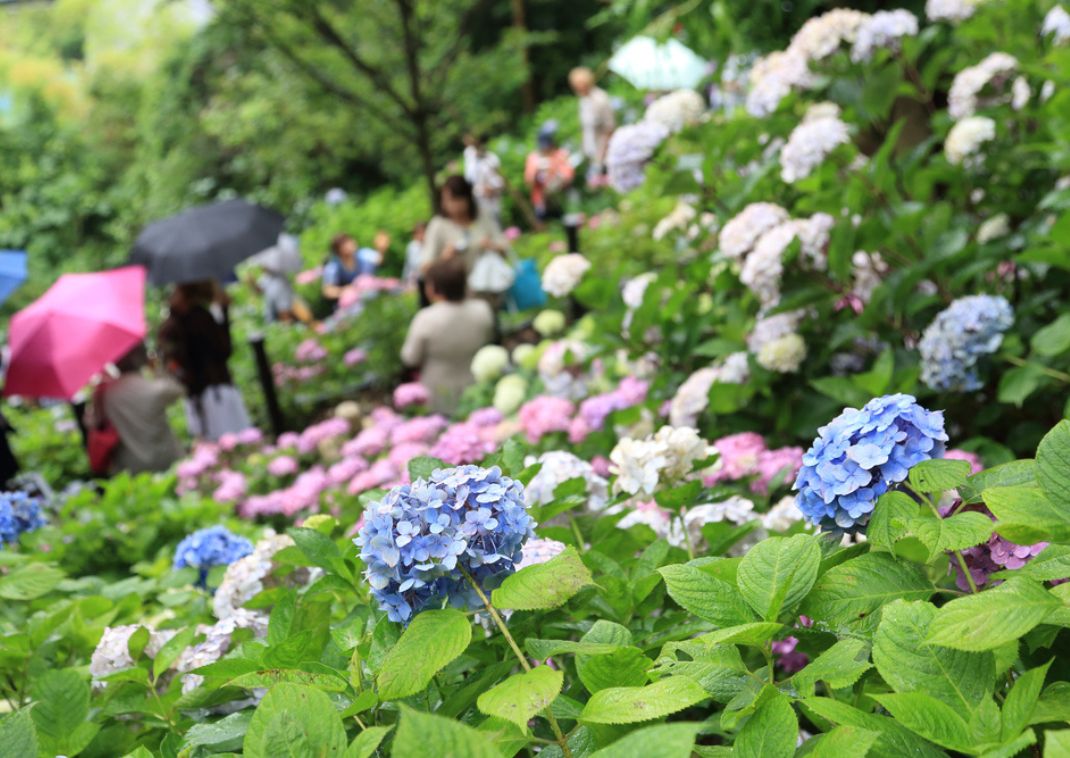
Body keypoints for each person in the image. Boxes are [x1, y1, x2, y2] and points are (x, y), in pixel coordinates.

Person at [158, 280, 252, 441]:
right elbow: (223, 349)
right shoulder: (187, 321)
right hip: (211, 391)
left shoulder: (182, 321)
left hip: (207, 391)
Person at [400, 257, 495, 414]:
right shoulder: (482, 309)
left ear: (434, 288)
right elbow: (490, 340)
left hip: (438, 393)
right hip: (477, 386)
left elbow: (410, 358)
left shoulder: (426, 318)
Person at [91, 343, 184, 475]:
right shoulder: (150, 389)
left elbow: (94, 422)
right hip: (165, 460)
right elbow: (177, 389)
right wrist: (156, 368)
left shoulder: (105, 393)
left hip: (130, 468)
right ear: (138, 358)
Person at [421, 175, 511, 304]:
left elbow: (504, 248)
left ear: (466, 198)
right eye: (445, 200)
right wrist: (444, 258)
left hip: (486, 290)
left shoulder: (483, 216)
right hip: (454, 298)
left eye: (454, 200)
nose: (449, 205)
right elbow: (425, 268)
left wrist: (491, 246)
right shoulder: (438, 226)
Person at [569, 66, 615, 185]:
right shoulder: (584, 100)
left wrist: (601, 158)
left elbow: (609, 128)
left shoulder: (600, 99)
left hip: (604, 154)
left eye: (580, 84)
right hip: (592, 152)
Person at [524, 122, 575, 221]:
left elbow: (568, 175)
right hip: (542, 201)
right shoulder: (533, 158)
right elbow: (529, 181)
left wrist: (555, 172)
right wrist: (538, 171)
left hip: (561, 198)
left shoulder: (560, 154)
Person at [463, 133, 505, 222]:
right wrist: (481, 190)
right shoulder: (470, 163)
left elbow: (500, 179)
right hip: (480, 200)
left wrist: (493, 188)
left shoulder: (492, 158)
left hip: (493, 198)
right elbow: (470, 181)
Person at [403, 222, 426, 287]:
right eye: (418, 233)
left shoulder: (430, 245)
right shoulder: (412, 246)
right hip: (414, 276)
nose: (420, 235)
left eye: (422, 232)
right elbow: (411, 264)